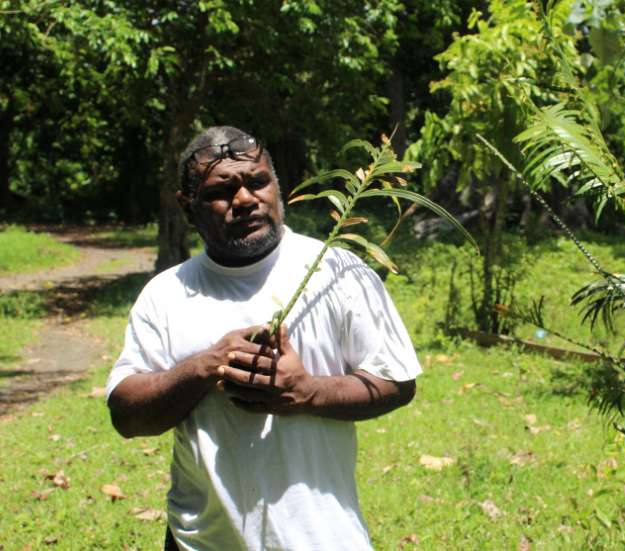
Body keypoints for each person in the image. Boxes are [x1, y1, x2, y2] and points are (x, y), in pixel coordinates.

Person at [106, 126, 421, 550]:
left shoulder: (338, 272)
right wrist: (204, 367)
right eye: (223, 191)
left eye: (257, 182)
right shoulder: (165, 295)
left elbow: (397, 382)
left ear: (276, 184)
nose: (245, 200)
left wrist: (307, 392)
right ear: (188, 206)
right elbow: (126, 415)